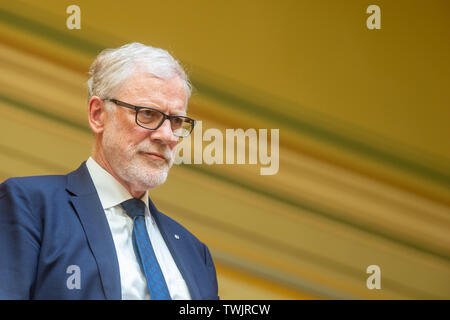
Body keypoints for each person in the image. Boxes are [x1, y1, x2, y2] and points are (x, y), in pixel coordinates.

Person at [0, 42, 219, 300]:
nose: (167, 136)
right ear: (98, 115)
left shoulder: (196, 253)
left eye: (176, 121)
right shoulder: (30, 207)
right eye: (148, 114)